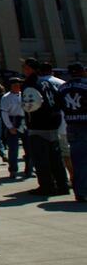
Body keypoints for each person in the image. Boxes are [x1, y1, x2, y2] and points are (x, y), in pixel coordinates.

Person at [21, 57, 69, 196]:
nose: (23, 69)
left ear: (30, 68)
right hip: (52, 123)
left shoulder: (30, 83)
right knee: (56, 158)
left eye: (24, 67)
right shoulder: (46, 82)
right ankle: (62, 185)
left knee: (41, 159)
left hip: (38, 125)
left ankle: (47, 186)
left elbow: (31, 104)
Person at [59, 62, 87, 202]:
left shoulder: (62, 87)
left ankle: (80, 191)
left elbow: (57, 107)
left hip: (71, 125)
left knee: (77, 160)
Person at [1, 77, 32, 179]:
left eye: (18, 85)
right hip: (13, 121)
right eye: (14, 85)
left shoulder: (24, 95)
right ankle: (13, 170)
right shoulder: (6, 97)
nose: (17, 87)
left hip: (25, 122)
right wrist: (10, 126)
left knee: (29, 148)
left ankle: (29, 169)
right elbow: (4, 113)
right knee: (13, 149)